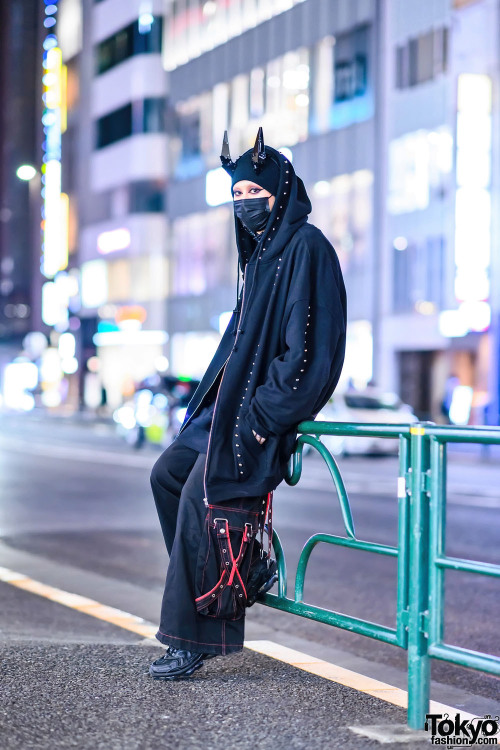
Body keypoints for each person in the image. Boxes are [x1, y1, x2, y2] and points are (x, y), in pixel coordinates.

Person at [148, 129, 347, 680]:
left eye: (253, 193)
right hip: (226, 412)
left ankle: (193, 636)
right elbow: (237, 346)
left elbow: (309, 355)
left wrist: (263, 419)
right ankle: (223, 587)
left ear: (280, 191)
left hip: (256, 418)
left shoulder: (307, 249)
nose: (244, 205)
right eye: (235, 197)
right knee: (167, 475)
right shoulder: (258, 259)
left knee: (200, 494)